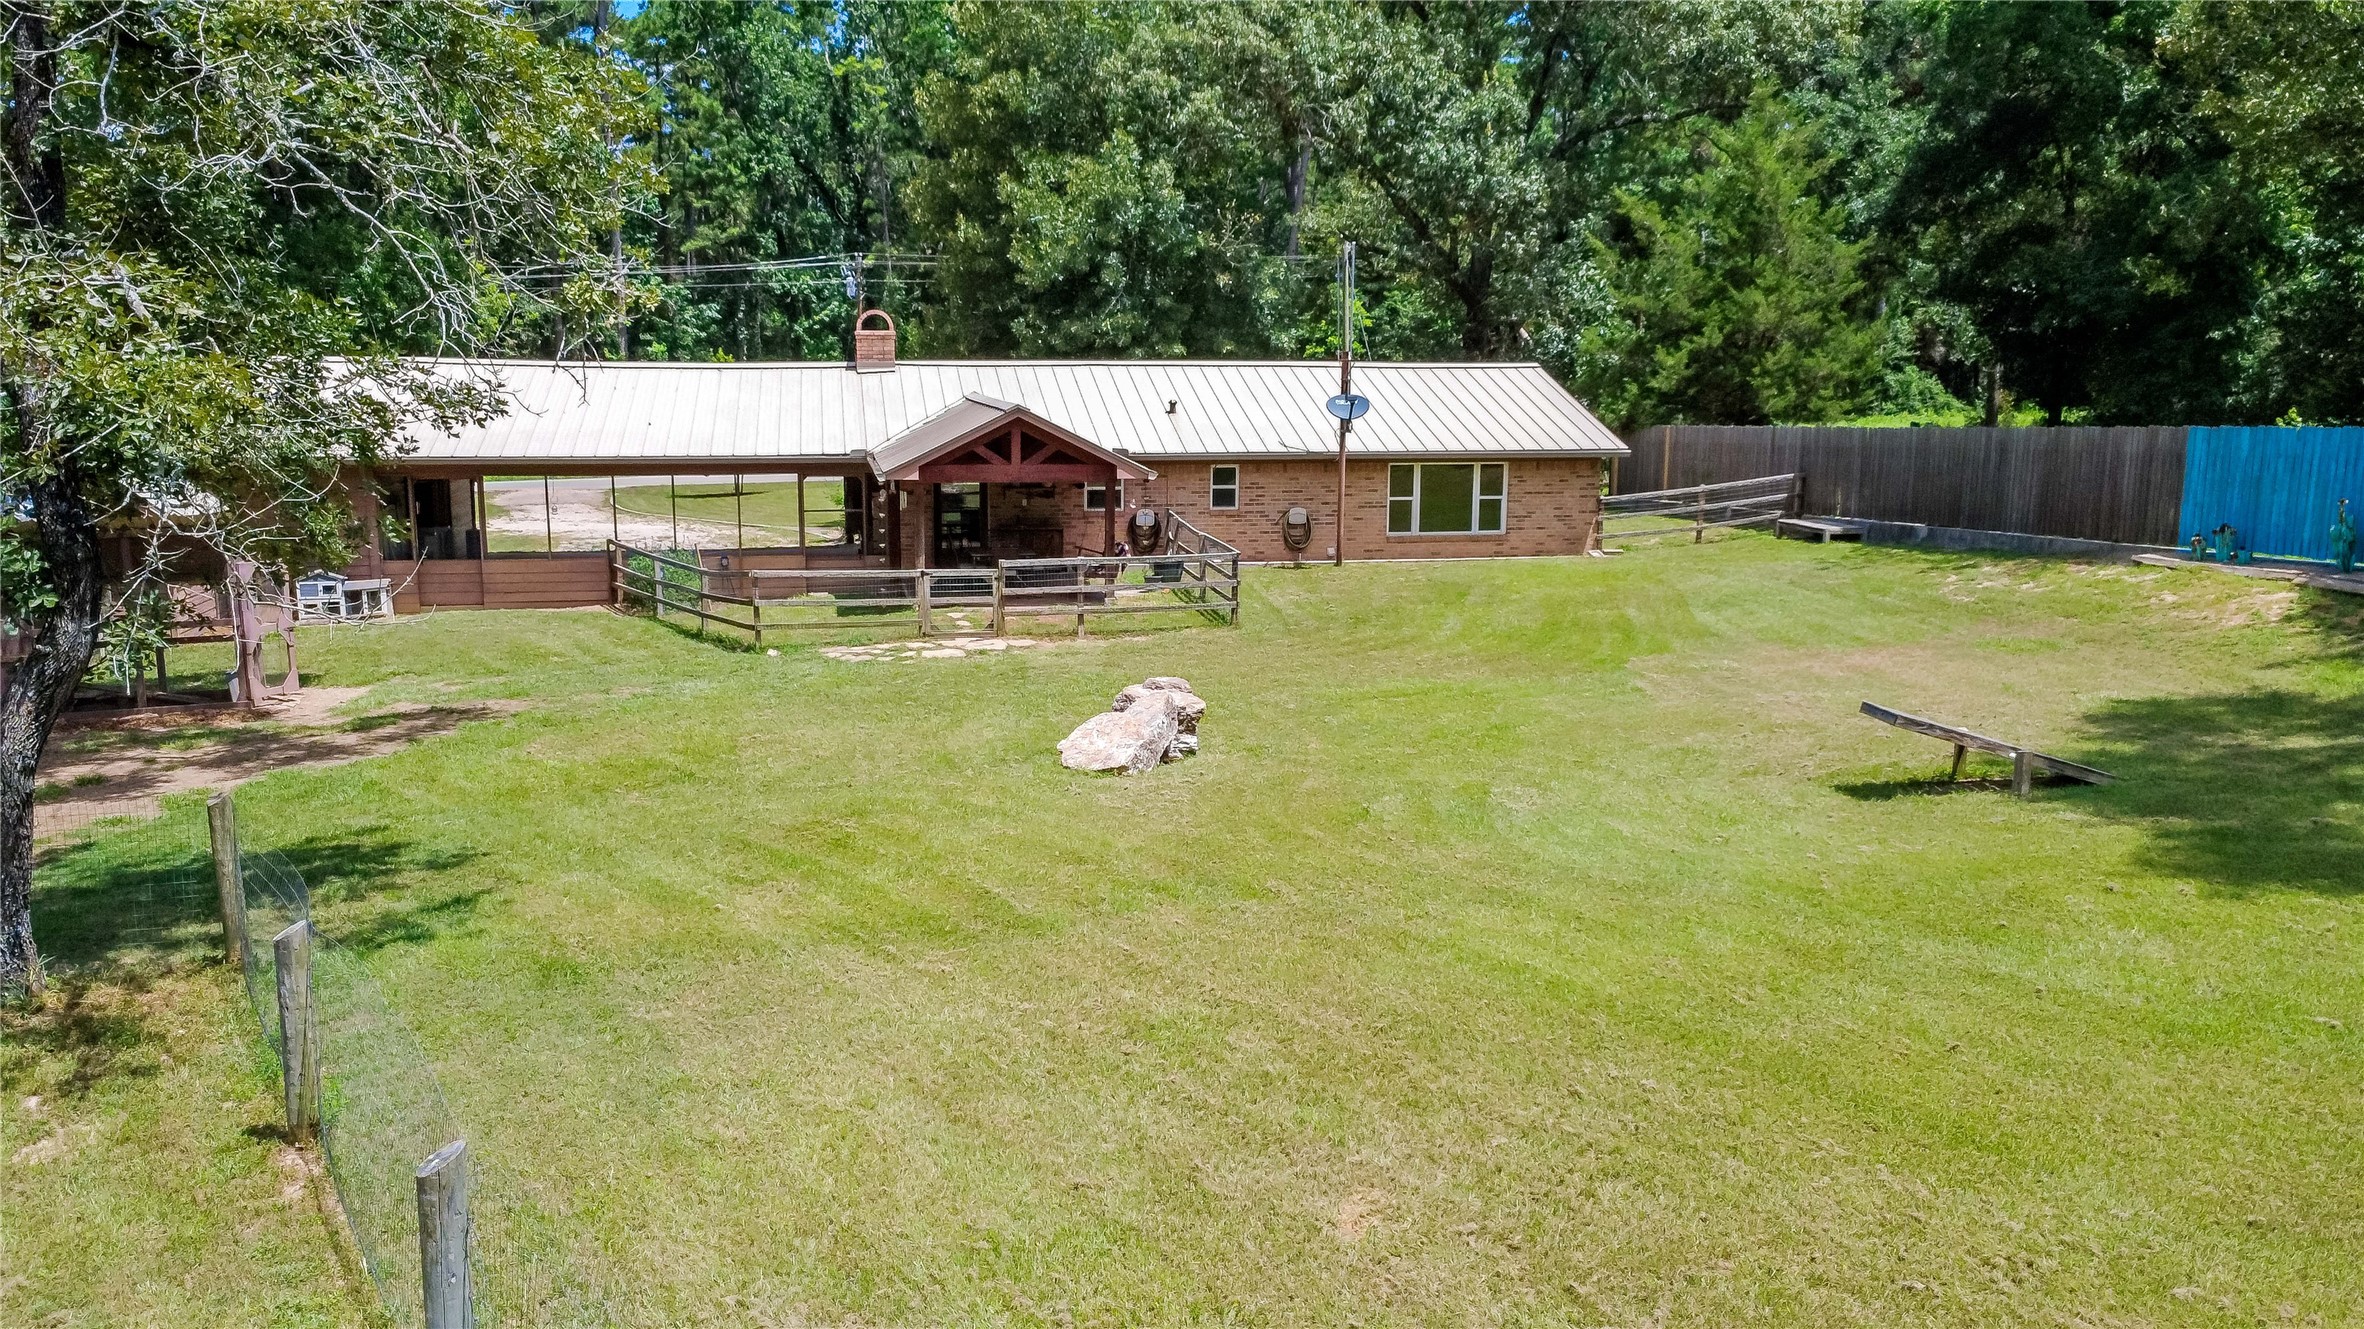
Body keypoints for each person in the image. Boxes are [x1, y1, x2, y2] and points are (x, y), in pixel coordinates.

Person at [2332, 498, 2357, 575]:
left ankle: (2347, 567)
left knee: (2345, 549)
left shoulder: (2342, 511)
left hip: (2344, 529)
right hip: (2343, 529)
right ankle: (2345, 567)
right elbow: (2342, 520)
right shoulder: (2341, 511)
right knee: (2343, 549)